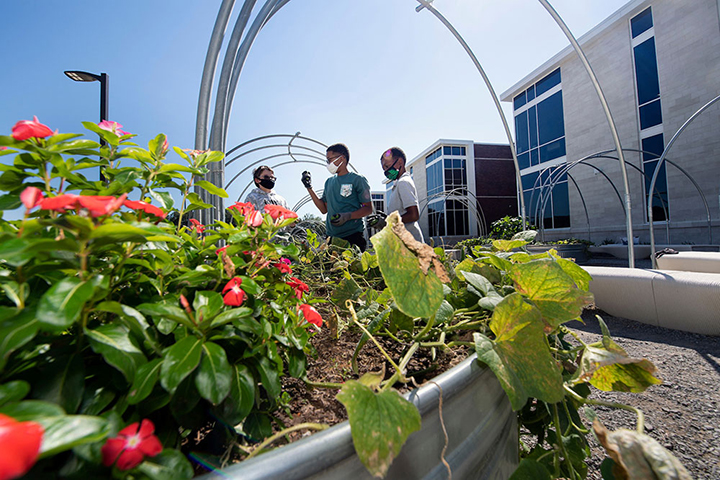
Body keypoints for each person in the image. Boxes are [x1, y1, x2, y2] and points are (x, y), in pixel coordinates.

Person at [301, 143, 372, 251]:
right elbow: (323, 209)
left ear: (342, 158)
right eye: (327, 160)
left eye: (329, 159)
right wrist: (309, 188)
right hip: (332, 238)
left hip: (353, 237)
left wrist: (347, 216)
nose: (328, 163)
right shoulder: (329, 182)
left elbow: (368, 208)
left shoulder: (357, 180)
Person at [373, 147, 424, 243]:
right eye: (384, 169)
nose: (386, 172)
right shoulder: (399, 184)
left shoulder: (403, 182)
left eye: (387, 166)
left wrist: (387, 223)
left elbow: (414, 215)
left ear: (400, 162)